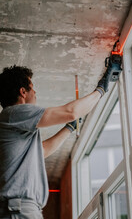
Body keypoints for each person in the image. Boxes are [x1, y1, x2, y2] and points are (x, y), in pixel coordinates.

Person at [0, 65, 109, 219]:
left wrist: (69, 128)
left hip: (19, 209)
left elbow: (42, 150)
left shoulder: (12, 122)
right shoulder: (14, 113)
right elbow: (70, 112)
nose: (35, 92)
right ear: (23, 92)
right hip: (18, 210)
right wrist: (102, 89)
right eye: (32, 88)